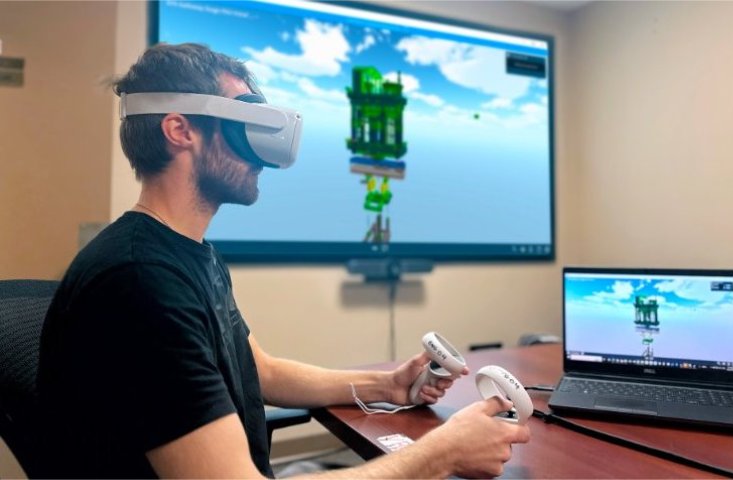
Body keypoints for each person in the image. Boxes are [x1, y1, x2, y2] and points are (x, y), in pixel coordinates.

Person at [37, 43, 530, 479]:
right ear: (180, 130)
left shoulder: (185, 253)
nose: (262, 154)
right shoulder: (140, 281)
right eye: (245, 124)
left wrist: (388, 385)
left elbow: (262, 372)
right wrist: (440, 454)